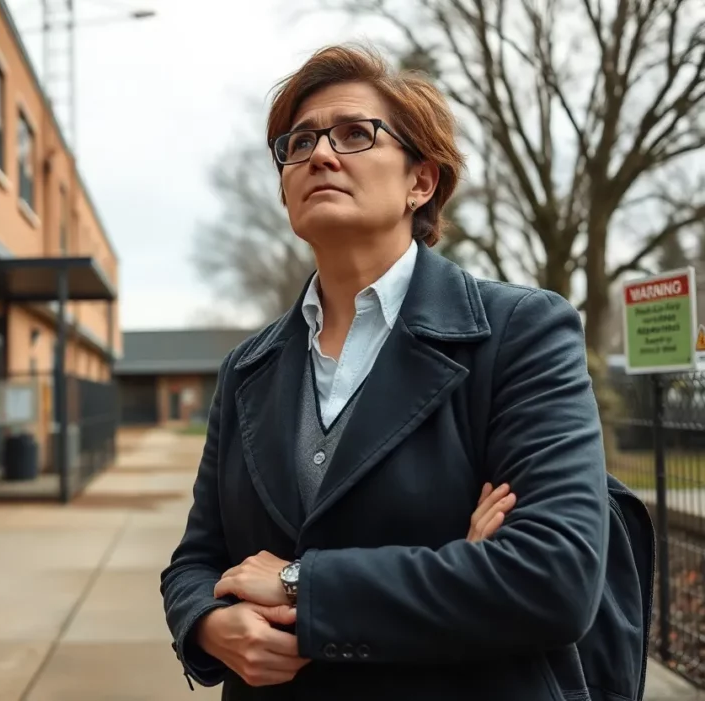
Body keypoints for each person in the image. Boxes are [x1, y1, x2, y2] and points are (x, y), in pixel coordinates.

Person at [160, 43, 610, 700]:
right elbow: (198, 560)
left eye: (354, 134)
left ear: (419, 183)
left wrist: (299, 585)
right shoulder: (247, 369)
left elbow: (554, 577)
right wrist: (206, 624)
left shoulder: (519, 333)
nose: (319, 154)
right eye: (299, 142)